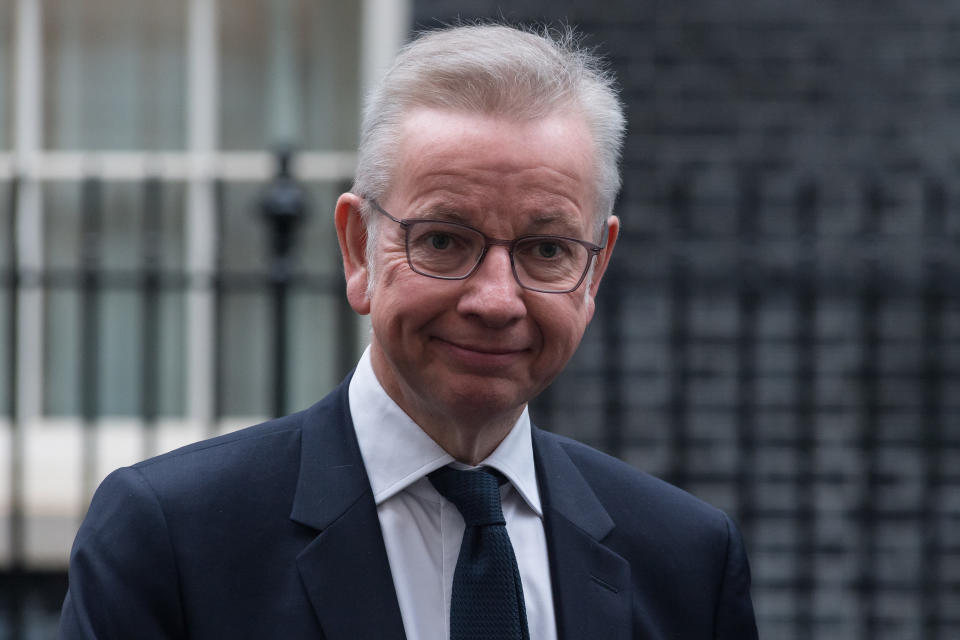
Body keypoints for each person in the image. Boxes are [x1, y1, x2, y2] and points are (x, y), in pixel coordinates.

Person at [58, 23, 757, 640]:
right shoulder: (173, 539)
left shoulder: (686, 560)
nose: (495, 300)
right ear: (358, 249)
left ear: (594, 271)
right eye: (445, 240)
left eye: (547, 250)